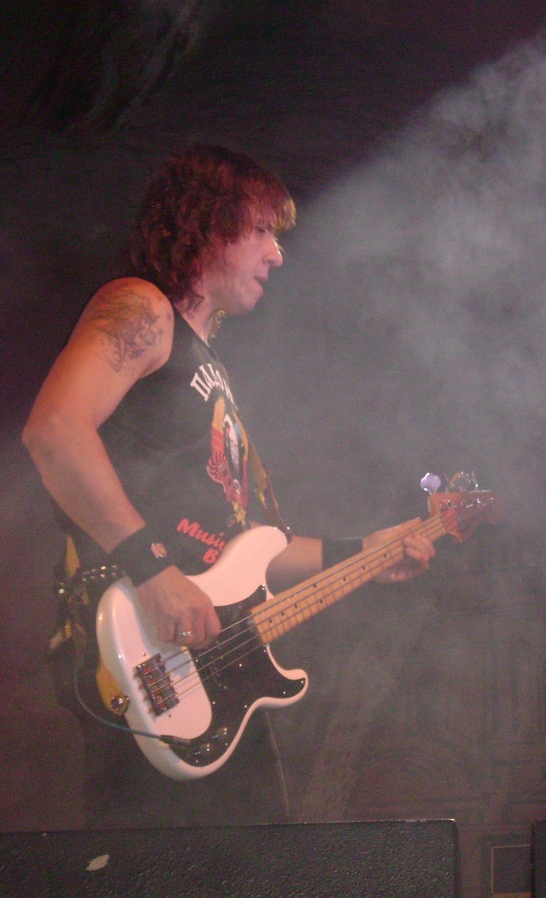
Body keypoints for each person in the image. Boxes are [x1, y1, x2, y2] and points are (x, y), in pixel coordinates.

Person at [23, 143, 436, 827]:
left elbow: (253, 547)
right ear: (207, 226)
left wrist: (365, 549)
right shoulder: (141, 307)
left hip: (209, 665)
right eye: (262, 230)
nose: (277, 254)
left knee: (254, 861)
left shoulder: (210, 366)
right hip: (141, 643)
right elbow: (56, 430)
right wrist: (154, 571)